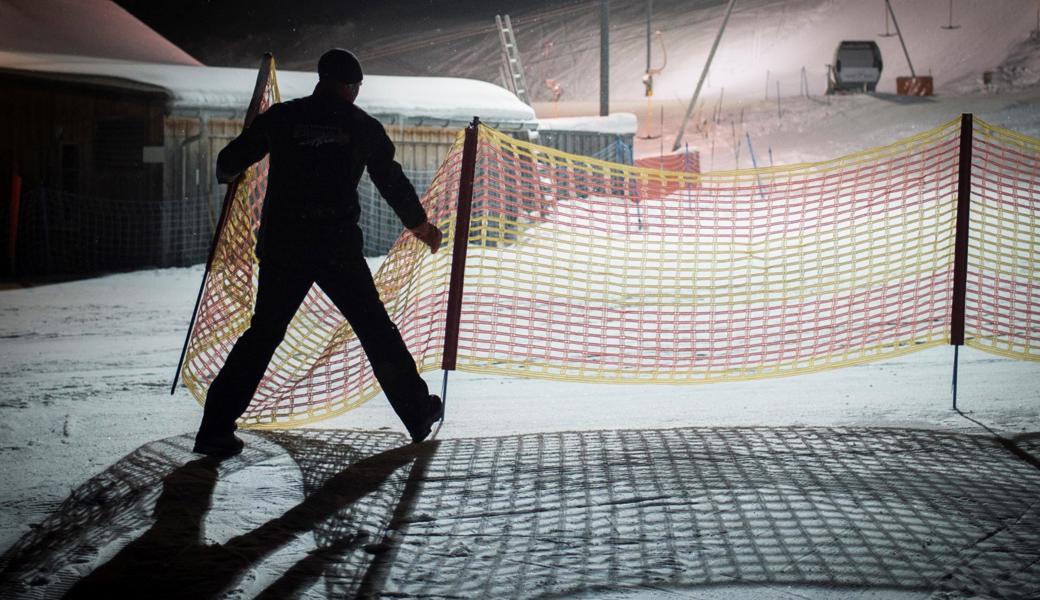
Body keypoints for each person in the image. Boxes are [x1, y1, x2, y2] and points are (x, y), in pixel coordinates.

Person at [193, 49, 444, 458]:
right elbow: (392, 182)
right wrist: (421, 227)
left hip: (284, 245)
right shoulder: (361, 126)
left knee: (263, 335)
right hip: (335, 247)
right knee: (375, 330)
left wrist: (230, 171)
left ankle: (215, 428)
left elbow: (228, 162)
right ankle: (417, 413)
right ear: (350, 87)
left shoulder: (282, 117)